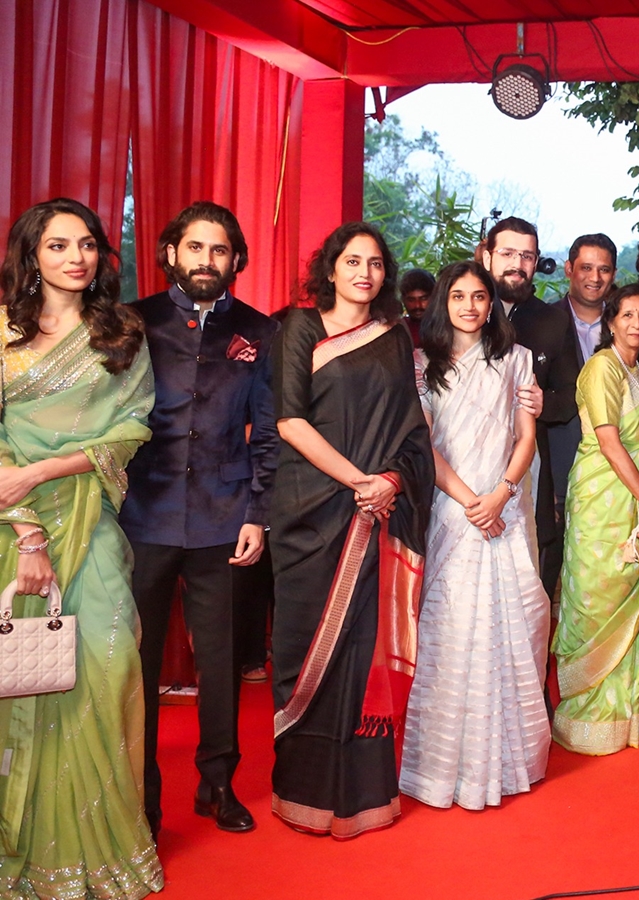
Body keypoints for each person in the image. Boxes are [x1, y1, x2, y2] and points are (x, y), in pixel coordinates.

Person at [0, 197, 161, 897]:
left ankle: (98, 848)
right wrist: (27, 527)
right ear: (31, 255)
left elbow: (132, 428)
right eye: (59, 245)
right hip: (10, 525)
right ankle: (27, 850)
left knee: (107, 662)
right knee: (17, 680)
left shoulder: (120, 332)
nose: (77, 257)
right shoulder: (2, 334)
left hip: (90, 517)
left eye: (88, 244)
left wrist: (44, 469)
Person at [268, 222, 434, 838]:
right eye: (352, 261)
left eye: (375, 263)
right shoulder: (300, 327)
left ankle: (364, 795)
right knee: (301, 648)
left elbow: (412, 431)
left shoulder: (394, 338)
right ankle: (302, 793)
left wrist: (388, 480)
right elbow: (290, 421)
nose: (365, 272)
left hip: (376, 516)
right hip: (311, 513)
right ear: (330, 268)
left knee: (360, 655)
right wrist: (360, 482)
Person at [124, 200, 278, 836]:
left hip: (223, 516)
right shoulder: (132, 322)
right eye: (196, 248)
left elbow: (267, 430)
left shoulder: (257, 330)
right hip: (141, 516)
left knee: (220, 661)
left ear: (236, 260)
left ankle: (218, 783)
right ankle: (142, 796)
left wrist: (257, 512)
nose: (207, 261)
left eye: (219, 251)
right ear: (171, 254)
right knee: (137, 660)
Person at [401, 260, 549, 807]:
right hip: (451, 513)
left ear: (492, 304)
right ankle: (444, 768)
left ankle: (510, 761)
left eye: (479, 296)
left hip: (503, 510)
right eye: (458, 295)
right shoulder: (421, 365)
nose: (469, 305)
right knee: (453, 628)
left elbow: (526, 438)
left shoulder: (516, 361)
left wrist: (501, 495)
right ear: (443, 303)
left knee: (516, 622)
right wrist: (471, 502)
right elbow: (424, 445)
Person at [552, 284, 639, 754]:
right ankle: (590, 719)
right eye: (627, 315)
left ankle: (632, 714)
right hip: (603, 501)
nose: (637, 324)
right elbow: (610, 443)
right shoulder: (601, 369)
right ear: (610, 321)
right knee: (598, 598)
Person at [485, 218, 569, 599]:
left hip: (527, 461)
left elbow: (572, 394)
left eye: (527, 255)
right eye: (507, 253)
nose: (517, 263)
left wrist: (545, 402)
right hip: (458, 458)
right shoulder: (462, 306)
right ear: (486, 256)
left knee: (523, 572)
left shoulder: (552, 320)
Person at [544, 234, 620, 593]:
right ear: (568, 269)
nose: (594, 277)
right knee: (547, 573)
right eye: (586, 267)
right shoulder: (542, 324)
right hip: (559, 470)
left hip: (615, 474)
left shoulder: (628, 326)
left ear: (614, 274)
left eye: (603, 269)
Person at [399, 268, 434, 346]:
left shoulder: (448, 327)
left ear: (434, 297)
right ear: (403, 300)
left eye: (423, 299)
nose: (417, 305)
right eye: (411, 300)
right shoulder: (398, 330)